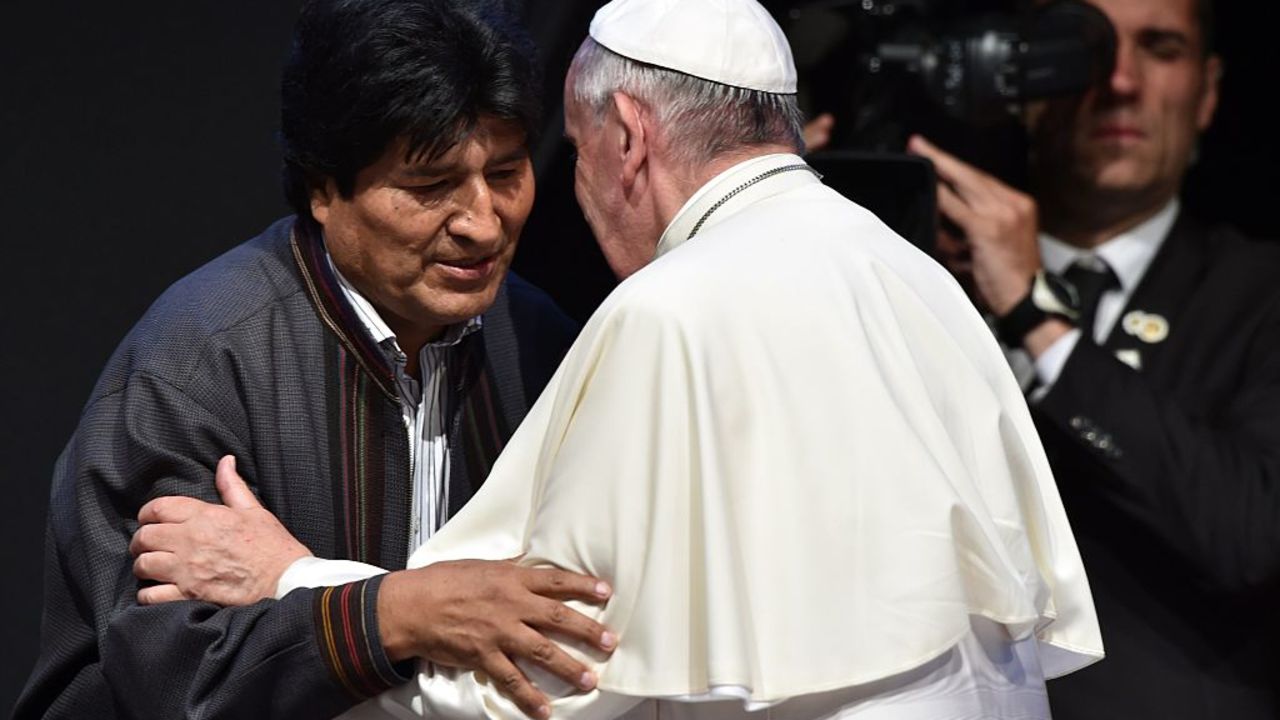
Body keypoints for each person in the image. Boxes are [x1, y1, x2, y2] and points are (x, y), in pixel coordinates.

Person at [135, 0, 1106, 717]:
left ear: (628, 137)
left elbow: (536, 676)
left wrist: (296, 585)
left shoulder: (668, 312)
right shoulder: (915, 274)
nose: (506, 214)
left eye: (550, 159)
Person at [14, 2, 621, 718]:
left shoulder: (540, 340)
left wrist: (297, 580)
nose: (482, 222)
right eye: (430, 187)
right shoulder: (196, 359)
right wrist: (396, 613)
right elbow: (171, 674)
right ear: (323, 189)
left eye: (507, 171)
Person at [906, 0, 1280, 716]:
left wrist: (1039, 323)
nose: (1118, 81)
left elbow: (1250, 534)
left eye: (1160, 48)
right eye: (1081, 47)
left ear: (1208, 92)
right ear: (1018, 83)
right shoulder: (922, 287)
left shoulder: (1259, 295)